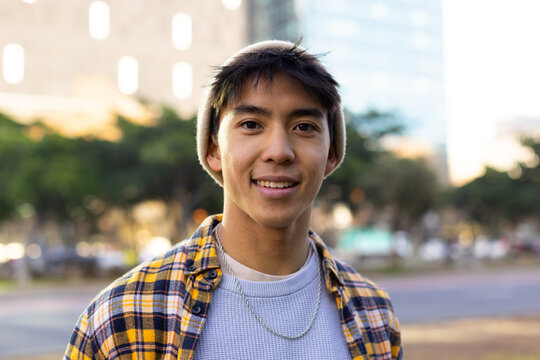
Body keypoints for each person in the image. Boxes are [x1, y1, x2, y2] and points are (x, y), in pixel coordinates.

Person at [65, 40, 402, 360]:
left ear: (331, 153)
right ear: (213, 150)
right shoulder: (123, 316)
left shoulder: (374, 313)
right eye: (251, 124)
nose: (279, 152)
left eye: (303, 127)